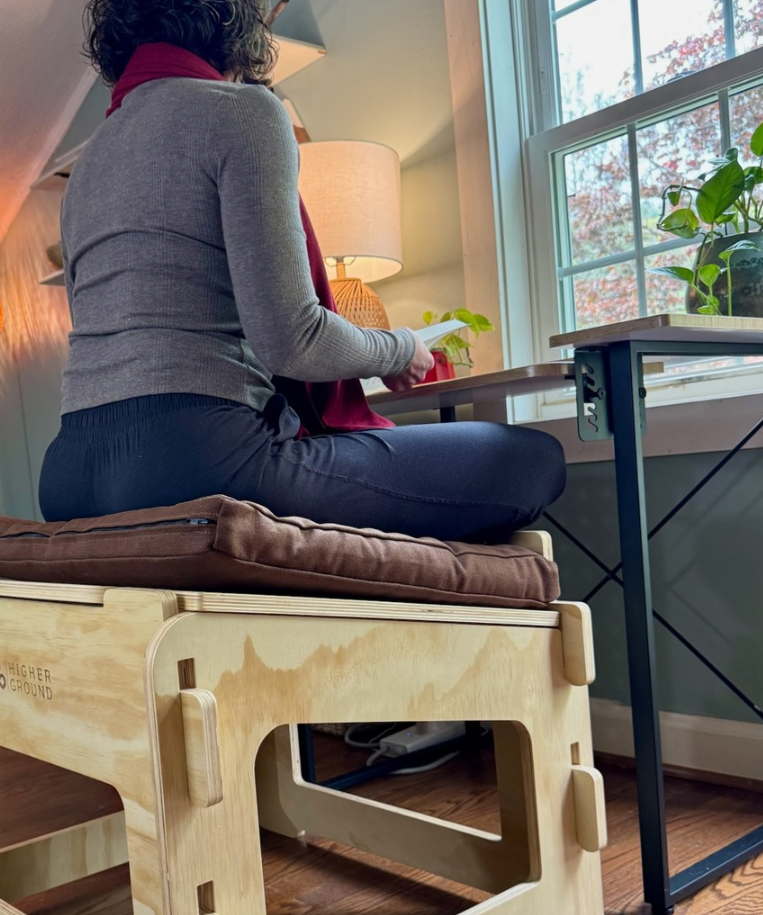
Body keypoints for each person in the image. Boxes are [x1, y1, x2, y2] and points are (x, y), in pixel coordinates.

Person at [38, 0, 565, 541]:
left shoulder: (87, 165)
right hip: (194, 458)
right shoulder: (243, 111)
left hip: (70, 477)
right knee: (530, 459)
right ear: (232, 29)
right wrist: (399, 350)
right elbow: (293, 339)